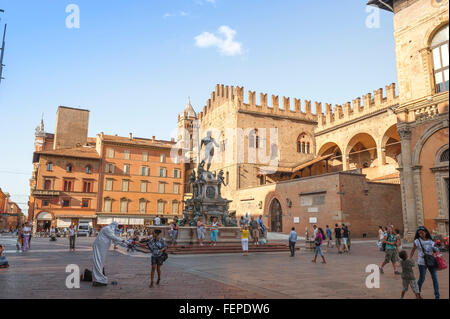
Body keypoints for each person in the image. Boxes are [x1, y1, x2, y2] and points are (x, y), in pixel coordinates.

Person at [410, 226, 440, 299]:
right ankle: (418, 293)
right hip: (422, 262)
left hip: (431, 261)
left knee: (435, 278)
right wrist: (410, 258)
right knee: (422, 278)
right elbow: (413, 250)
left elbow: (436, 250)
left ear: (426, 232)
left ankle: (437, 295)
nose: (421, 234)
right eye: (419, 233)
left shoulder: (430, 241)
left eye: (422, 233)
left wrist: (435, 247)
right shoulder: (417, 241)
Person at [92, 222, 126, 287]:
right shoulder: (107, 229)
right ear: (114, 225)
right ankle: (98, 279)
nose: (116, 228)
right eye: (116, 227)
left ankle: (99, 278)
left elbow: (115, 241)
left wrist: (126, 244)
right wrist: (123, 240)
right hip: (99, 246)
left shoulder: (110, 230)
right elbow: (113, 237)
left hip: (102, 247)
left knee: (100, 262)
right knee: (98, 261)